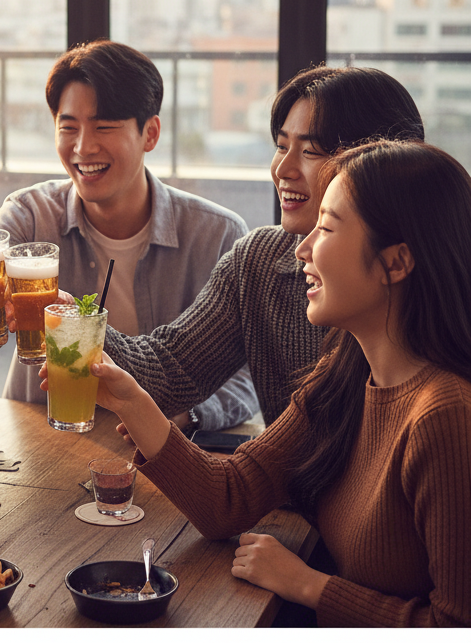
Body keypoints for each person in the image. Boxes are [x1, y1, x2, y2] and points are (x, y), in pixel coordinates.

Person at [88, 139, 471, 627]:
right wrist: (132, 401)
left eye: (327, 228)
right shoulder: (346, 372)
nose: (302, 248)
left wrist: (310, 586)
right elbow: (230, 498)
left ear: (395, 262)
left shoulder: (446, 416)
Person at [0, 39, 257, 430]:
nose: (82, 147)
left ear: (151, 134)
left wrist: (177, 416)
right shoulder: (29, 216)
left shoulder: (217, 235)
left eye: (104, 127)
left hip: (156, 456)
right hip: (39, 442)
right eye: (68, 127)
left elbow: (247, 378)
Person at [103, 64, 426, 427]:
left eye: (312, 150)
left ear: (378, 163)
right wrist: (66, 318)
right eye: (282, 146)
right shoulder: (259, 260)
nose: (282, 169)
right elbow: (168, 371)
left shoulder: (431, 293)